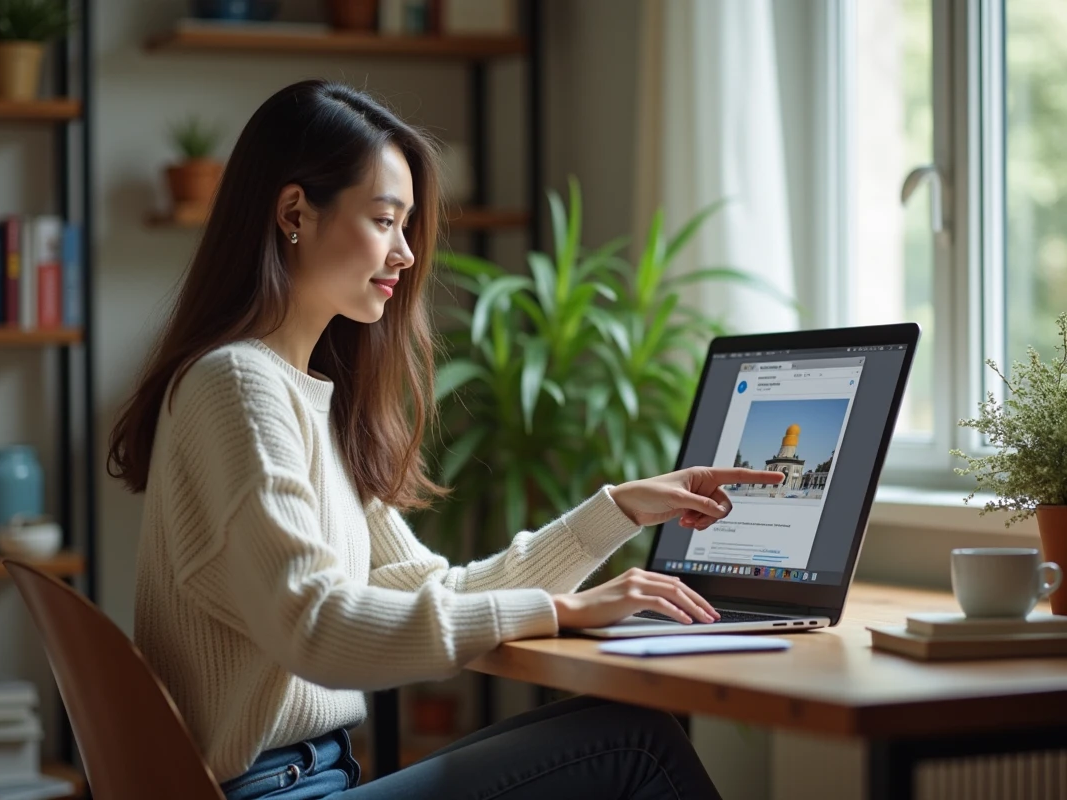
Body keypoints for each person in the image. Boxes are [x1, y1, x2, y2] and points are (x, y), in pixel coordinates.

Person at [108, 79, 782, 800]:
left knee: (626, 725)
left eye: (407, 228)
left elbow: (433, 589)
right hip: (277, 790)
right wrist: (559, 611)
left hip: (309, 778)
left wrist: (615, 511)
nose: (404, 253)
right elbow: (318, 628)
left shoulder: (295, 397)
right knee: (638, 745)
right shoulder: (238, 385)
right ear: (294, 213)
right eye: (384, 220)